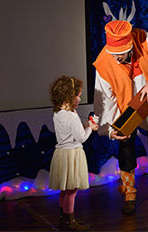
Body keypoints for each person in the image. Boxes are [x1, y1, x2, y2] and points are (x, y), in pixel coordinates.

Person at [93, 20, 148, 215]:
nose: (116, 59)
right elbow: (104, 101)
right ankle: (130, 194)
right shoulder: (104, 62)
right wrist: (110, 129)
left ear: (130, 46)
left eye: (121, 55)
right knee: (126, 147)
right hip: (125, 107)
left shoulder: (145, 40)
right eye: (113, 55)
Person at [49, 75, 98, 230]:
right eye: (77, 95)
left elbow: (70, 133)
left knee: (65, 189)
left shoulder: (58, 113)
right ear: (69, 96)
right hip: (72, 155)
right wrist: (91, 128)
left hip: (62, 153)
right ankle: (70, 222)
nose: (80, 98)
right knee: (72, 190)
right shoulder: (71, 115)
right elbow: (81, 138)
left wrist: (83, 124)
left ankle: (64, 217)